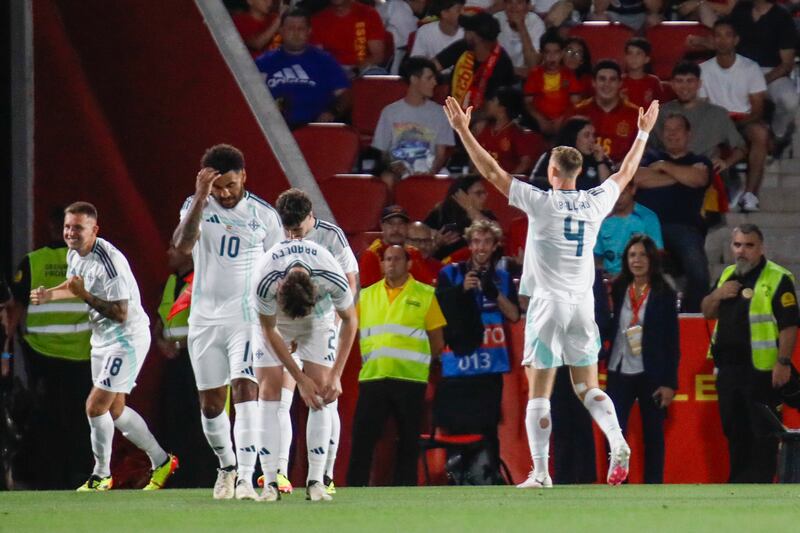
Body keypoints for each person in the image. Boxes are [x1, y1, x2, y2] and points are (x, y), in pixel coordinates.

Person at [443, 93, 661, 487]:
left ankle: (541, 473)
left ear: (555, 173)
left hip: (546, 305)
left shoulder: (541, 202)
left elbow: (492, 172)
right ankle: (616, 439)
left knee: (539, 393)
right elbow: (625, 173)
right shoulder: (595, 201)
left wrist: (462, 131)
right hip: (582, 305)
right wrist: (642, 134)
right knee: (588, 388)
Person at [30, 202, 178, 491]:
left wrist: (83, 294)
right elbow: (74, 285)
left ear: (94, 230)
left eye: (78, 228)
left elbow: (120, 312)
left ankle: (101, 475)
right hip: (102, 340)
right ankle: (162, 461)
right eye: (67, 227)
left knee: (95, 407)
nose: (71, 233)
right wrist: (50, 295)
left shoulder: (109, 262)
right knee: (115, 412)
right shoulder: (75, 253)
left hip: (126, 338)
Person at [172, 144, 283, 500]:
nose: (225, 193)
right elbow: (181, 246)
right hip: (204, 318)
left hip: (245, 317)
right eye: (218, 187)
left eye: (231, 185)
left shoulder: (264, 215)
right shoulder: (196, 206)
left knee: (245, 390)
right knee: (210, 404)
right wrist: (201, 197)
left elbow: (279, 268)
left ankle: (248, 479)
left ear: (244, 177)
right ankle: (228, 467)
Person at [264, 188, 359, 495]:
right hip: (284, 317)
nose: (293, 235)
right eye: (287, 229)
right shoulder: (275, 240)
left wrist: (331, 324)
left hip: (321, 317)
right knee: (278, 394)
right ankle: (277, 471)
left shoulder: (331, 239)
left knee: (323, 393)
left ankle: (323, 475)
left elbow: (350, 284)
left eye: (298, 228)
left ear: (310, 217)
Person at [2, 207, 92, 489]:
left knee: (47, 418)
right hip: (82, 355)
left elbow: (14, 312)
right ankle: (79, 475)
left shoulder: (34, 261)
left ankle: (50, 477)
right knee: (82, 418)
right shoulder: (91, 262)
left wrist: (6, 352)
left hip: (43, 356)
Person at [701, 224, 798, 483]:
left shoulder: (777, 278)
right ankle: (738, 483)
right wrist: (718, 294)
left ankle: (762, 483)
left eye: (749, 245)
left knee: (763, 432)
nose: (742, 251)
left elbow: (789, 325)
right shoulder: (728, 275)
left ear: (761, 247)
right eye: (737, 245)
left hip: (762, 370)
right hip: (729, 370)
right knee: (734, 428)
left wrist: (784, 362)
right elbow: (707, 310)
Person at [347, 245, 446, 486]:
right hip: (374, 377)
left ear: (409, 264)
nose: (392, 263)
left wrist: (420, 362)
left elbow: (437, 341)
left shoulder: (424, 294)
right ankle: (354, 487)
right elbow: (349, 331)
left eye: (397, 259)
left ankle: (406, 488)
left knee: (408, 440)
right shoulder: (367, 295)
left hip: (410, 379)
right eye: (387, 259)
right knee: (363, 438)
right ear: (381, 265)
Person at [434, 220, 519, 484]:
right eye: (476, 242)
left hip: (489, 366)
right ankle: (457, 477)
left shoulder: (502, 278)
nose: (481, 248)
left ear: (495, 247)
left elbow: (514, 315)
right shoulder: (451, 273)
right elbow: (437, 306)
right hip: (457, 364)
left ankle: (488, 476)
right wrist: (462, 291)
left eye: (486, 242)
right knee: (457, 425)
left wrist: (493, 292)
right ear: (469, 245)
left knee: (487, 426)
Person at [606, 235, 680, 484]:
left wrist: (670, 383)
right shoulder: (618, 288)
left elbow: (672, 341)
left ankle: (653, 485)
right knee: (616, 432)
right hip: (619, 368)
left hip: (652, 373)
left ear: (652, 259)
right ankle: (618, 481)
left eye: (643, 255)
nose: (637, 260)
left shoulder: (664, 292)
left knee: (653, 435)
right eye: (632, 255)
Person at [154, 247, 218, 488]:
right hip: (175, 362)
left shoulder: (205, 280)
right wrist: (162, 342)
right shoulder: (172, 281)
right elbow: (161, 321)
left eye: (174, 247)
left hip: (200, 359)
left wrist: (181, 343)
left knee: (201, 421)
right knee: (175, 420)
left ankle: (207, 478)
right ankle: (180, 478)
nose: (168, 252)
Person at [635, 113, 712, 312]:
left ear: (688, 134)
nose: (672, 134)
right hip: (644, 227)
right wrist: (681, 175)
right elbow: (638, 179)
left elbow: (699, 179)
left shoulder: (699, 160)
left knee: (698, 271)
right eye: (667, 130)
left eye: (677, 129)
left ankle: (691, 315)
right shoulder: (649, 157)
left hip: (684, 227)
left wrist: (663, 167)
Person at [699, 19, 769, 212]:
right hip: (716, 120)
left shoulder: (750, 67)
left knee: (760, 134)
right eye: (718, 36)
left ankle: (750, 194)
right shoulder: (704, 70)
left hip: (743, 120)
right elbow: (703, 107)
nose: (722, 40)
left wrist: (736, 125)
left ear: (736, 40)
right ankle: (714, 194)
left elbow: (757, 109)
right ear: (713, 40)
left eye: (727, 35)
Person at [256, 9, 352, 128]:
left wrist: (332, 112)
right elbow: (254, 95)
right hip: (275, 128)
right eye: (290, 28)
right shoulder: (264, 62)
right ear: (280, 31)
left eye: (300, 29)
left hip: (316, 129)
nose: (295, 33)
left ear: (309, 31)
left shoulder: (325, 60)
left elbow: (344, 95)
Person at [372, 56, 455, 186]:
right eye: (429, 78)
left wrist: (431, 172)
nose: (434, 83)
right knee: (387, 179)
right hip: (399, 171)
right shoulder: (390, 112)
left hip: (429, 169)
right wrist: (395, 166)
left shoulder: (440, 113)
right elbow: (384, 153)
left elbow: (440, 154)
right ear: (414, 80)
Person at [729, 0, 798, 155]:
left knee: (790, 101)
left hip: (772, 72)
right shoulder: (741, 10)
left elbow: (786, 64)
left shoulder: (782, 17)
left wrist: (760, 82)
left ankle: (778, 133)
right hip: (741, 69)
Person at [654, 61, 746, 172]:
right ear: (672, 84)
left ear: (699, 84)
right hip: (667, 172)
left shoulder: (717, 114)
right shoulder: (659, 112)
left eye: (690, 81)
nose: (684, 86)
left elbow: (741, 147)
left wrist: (726, 163)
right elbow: (646, 146)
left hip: (704, 173)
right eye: (679, 81)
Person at [435, 11, 516, 112]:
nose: (465, 34)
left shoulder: (502, 65)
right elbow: (433, 65)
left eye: (467, 31)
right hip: (451, 110)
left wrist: (464, 122)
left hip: (479, 118)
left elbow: (491, 109)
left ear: (478, 38)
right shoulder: (463, 47)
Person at [571, 60, 641, 164]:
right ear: (593, 83)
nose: (607, 84)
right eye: (602, 79)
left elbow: (641, 151)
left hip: (621, 173)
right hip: (584, 172)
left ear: (620, 84)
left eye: (612, 80)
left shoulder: (636, 114)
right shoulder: (578, 112)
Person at [359, 205, 440, 287]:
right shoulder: (372, 255)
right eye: (391, 224)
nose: (396, 229)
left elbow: (428, 285)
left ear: (407, 227)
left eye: (401, 224)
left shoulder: (413, 252)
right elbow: (369, 294)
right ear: (382, 225)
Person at [594, 181, 663, 277]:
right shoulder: (601, 219)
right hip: (610, 277)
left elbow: (657, 255)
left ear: (633, 190)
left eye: (623, 193)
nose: (618, 199)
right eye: (614, 194)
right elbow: (597, 256)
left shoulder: (648, 218)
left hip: (640, 277)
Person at [530, 116, 615, 191]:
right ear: (573, 137)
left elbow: (607, 190)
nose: (592, 140)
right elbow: (535, 182)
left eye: (593, 135)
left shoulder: (598, 158)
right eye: (586, 135)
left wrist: (600, 161)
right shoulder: (552, 156)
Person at [423, 175, 496, 261]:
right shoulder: (438, 214)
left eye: (485, 193)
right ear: (460, 195)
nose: (485, 197)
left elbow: (495, 234)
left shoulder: (487, 216)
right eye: (479, 193)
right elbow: (421, 250)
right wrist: (437, 243)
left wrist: (470, 209)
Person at [523, 31, 582, 137]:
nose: (552, 57)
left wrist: (562, 119)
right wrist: (541, 120)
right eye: (547, 52)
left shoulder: (569, 75)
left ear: (562, 53)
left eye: (556, 52)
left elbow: (576, 103)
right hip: (538, 125)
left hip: (564, 125)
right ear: (541, 53)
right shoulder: (535, 75)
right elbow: (528, 103)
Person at [477, 87, 543, 175]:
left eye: (492, 100)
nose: (487, 104)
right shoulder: (485, 129)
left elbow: (525, 164)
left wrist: (507, 181)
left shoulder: (519, 132)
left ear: (502, 108)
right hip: (485, 179)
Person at [310, 0, 386, 75]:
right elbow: (317, 57)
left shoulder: (369, 14)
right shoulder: (318, 20)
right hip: (332, 72)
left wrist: (355, 70)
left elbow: (377, 56)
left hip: (363, 69)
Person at [494, 0, 546, 78]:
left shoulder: (536, 24)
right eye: (509, 2)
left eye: (519, 2)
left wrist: (521, 26)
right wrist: (514, 70)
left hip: (524, 79)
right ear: (504, 5)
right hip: (499, 74)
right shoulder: (496, 20)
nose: (513, 7)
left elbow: (533, 64)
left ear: (528, 6)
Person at [380, 0, 428, 74]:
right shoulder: (398, 6)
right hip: (386, 60)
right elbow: (410, 37)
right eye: (423, 2)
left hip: (393, 59)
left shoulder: (402, 9)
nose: (424, 4)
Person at [621, 37, 663, 108]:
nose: (633, 57)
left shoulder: (653, 81)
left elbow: (661, 106)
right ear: (625, 57)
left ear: (647, 59)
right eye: (630, 53)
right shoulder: (619, 81)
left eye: (638, 53)